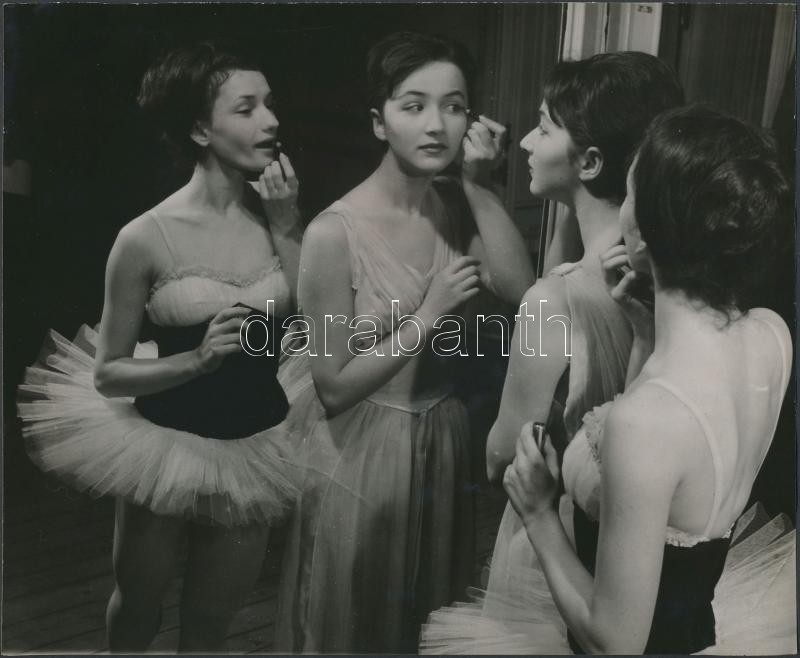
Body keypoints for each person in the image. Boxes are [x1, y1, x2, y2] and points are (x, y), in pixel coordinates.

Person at [425, 105, 795, 654]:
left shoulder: (644, 423)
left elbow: (613, 642)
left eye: (629, 196)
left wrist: (539, 514)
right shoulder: (772, 335)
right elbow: (686, 478)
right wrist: (643, 336)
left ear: (642, 237)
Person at [17, 41, 303, 652]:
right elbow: (109, 374)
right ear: (200, 129)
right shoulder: (144, 237)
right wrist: (196, 359)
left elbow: (315, 319)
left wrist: (287, 225)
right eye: (247, 108)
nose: (271, 121)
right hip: (165, 442)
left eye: (270, 104)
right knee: (139, 606)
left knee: (211, 625)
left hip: (254, 443)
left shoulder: (279, 222)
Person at [275, 31, 535, 653]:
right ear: (378, 122)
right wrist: (429, 313)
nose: (437, 125)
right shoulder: (333, 233)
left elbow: (522, 291)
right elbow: (333, 387)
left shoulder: (454, 204)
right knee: (355, 621)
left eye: (454, 106)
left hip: (441, 437)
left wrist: (479, 185)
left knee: (426, 617)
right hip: (361, 450)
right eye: (414, 106)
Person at [419, 51, 684, 652]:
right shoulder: (662, 272)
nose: (525, 143)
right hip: (641, 554)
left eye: (543, 127)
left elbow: (501, 461)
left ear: (589, 161)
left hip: (563, 544)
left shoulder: (553, 302)